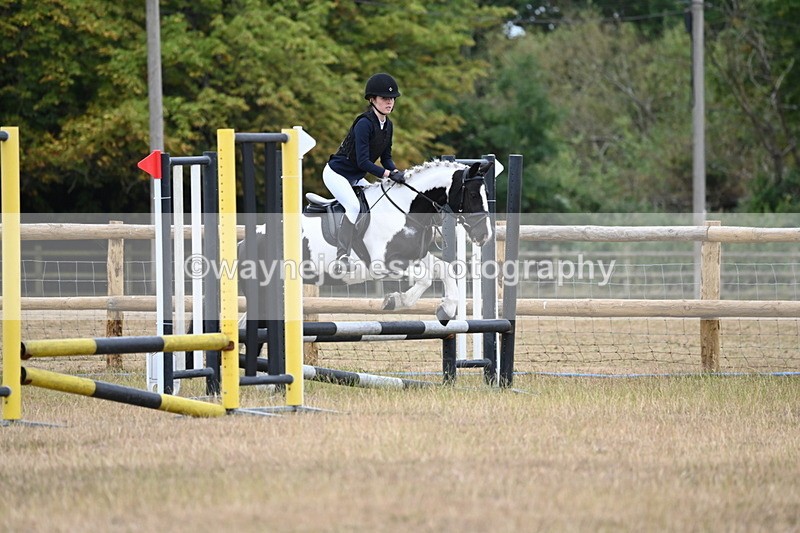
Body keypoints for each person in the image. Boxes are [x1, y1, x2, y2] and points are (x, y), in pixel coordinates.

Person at [324, 72, 407, 270]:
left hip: (355, 176)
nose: (389, 102)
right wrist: (387, 175)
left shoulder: (388, 125)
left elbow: (385, 158)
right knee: (353, 206)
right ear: (372, 100)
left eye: (392, 99)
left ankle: (366, 249)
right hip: (337, 174)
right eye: (385, 98)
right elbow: (363, 162)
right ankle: (342, 257)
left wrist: (396, 171)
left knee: (374, 204)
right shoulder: (364, 124)